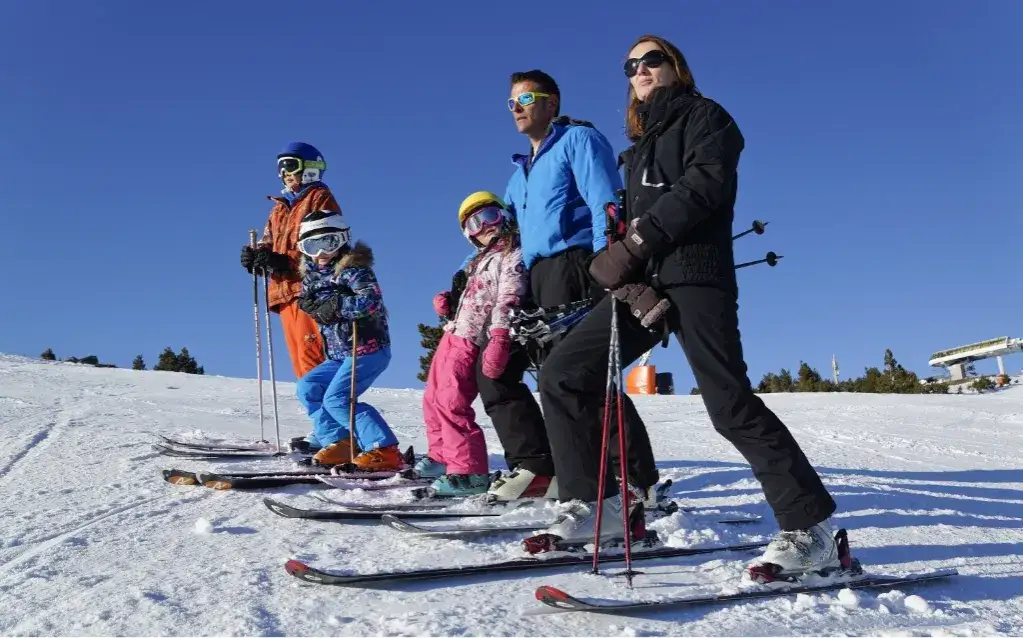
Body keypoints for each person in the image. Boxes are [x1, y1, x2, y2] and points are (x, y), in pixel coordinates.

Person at [536, 34, 840, 577]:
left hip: (697, 277)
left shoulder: (708, 118)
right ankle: (602, 507)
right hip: (644, 286)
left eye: (651, 60)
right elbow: (626, 221)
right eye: (630, 65)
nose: (640, 70)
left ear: (675, 66)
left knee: (728, 404)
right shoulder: (639, 147)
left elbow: (705, 186)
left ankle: (811, 530)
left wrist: (637, 243)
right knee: (565, 372)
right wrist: (621, 263)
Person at [479, 70, 662, 504]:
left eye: (527, 99)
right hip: (538, 275)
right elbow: (511, 238)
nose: (517, 109)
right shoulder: (517, 175)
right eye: (512, 102)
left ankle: (635, 479)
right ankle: (569, 470)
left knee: (586, 376)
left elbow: (606, 202)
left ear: (552, 104)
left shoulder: (578, 141)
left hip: (580, 264)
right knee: (553, 378)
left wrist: (611, 265)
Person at [416, 192, 539, 498]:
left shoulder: (513, 253)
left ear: (504, 216)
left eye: (491, 216)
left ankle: (469, 471)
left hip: (474, 339)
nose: (485, 226)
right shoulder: (476, 261)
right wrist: (448, 303)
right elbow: (471, 297)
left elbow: (508, 297)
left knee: (452, 403)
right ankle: (443, 456)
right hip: (453, 334)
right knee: (432, 399)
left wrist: (499, 335)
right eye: (475, 223)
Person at [293, 210, 402, 469]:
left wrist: (338, 304)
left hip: (367, 348)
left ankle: (383, 448)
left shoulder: (354, 270)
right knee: (308, 387)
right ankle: (341, 442)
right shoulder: (311, 276)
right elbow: (310, 301)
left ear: (342, 240)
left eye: (328, 243)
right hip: (340, 354)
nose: (320, 253)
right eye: (311, 246)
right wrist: (311, 305)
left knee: (337, 399)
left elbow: (371, 300)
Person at [241, 142, 341, 382]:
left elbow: (328, 242)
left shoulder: (319, 197)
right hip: (284, 293)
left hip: (310, 290)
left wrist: (286, 262)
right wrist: (258, 257)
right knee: (300, 367)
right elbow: (268, 240)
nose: (284, 173)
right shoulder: (279, 209)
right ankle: (319, 414)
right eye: (280, 167)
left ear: (310, 168)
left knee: (313, 363)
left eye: (290, 165)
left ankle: (331, 414)